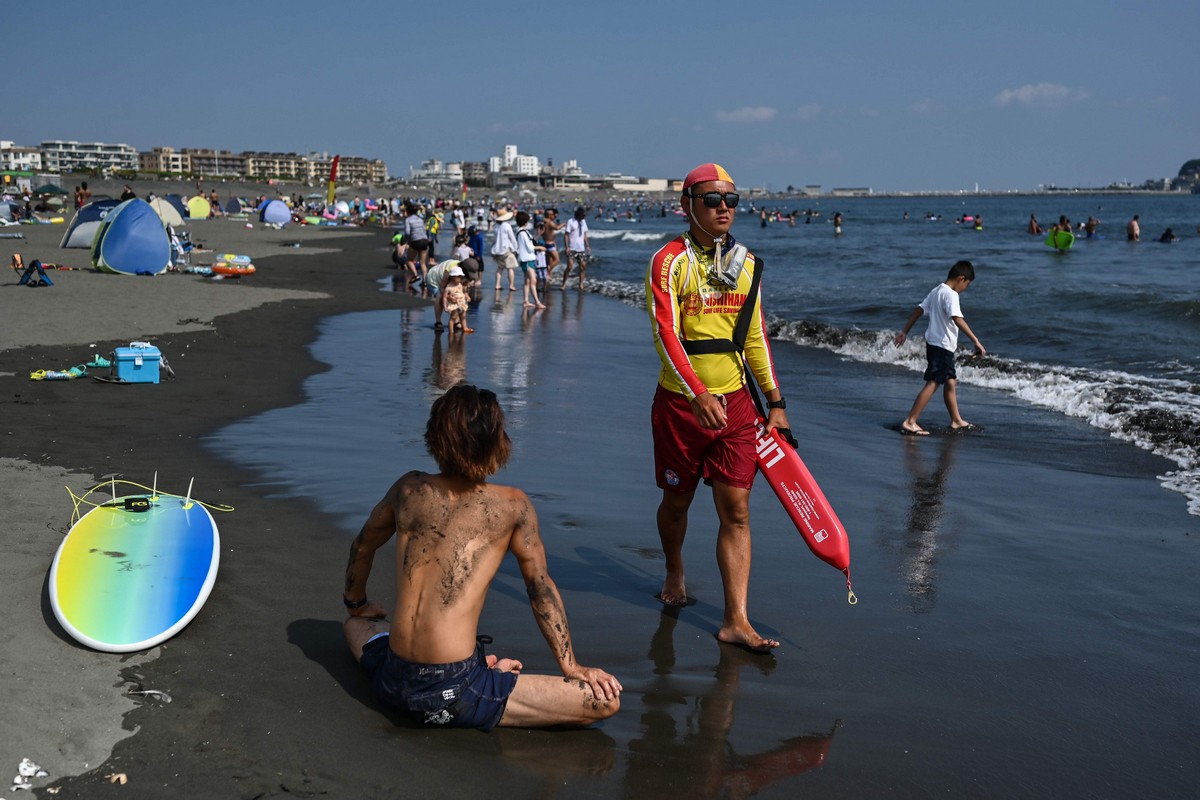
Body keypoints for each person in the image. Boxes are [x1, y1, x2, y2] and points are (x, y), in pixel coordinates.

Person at [341, 384, 622, 729]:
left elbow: (363, 545)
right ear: (496, 442)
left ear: (435, 438)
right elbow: (540, 589)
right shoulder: (512, 505)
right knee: (604, 701)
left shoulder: (409, 488)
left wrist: (356, 604)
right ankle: (488, 679)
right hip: (455, 690)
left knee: (357, 625)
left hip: (392, 681)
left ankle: (484, 668)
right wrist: (572, 668)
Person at [645, 162, 790, 653]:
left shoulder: (747, 264)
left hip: (737, 408)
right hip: (681, 409)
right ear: (688, 206)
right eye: (712, 200)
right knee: (678, 502)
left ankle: (736, 620)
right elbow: (666, 334)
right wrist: (697, 394)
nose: (724, 208)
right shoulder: (669, 261)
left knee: (738, 511)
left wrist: (775, 401)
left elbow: (755, 337)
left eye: (731, 200)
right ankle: (674, 568)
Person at [894, 260, 986, 436]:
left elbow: (918, 310)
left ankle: (956, 420)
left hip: (934, 344)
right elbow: (957, 318)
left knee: (950, 381)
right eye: (967, 284)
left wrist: (904, 331)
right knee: (934, 382)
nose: (966, 288)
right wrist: (976, 340)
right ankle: (910, 421)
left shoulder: (936, 291)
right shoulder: (951, 295)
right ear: (961, 279)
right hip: (942, 346)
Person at [514, 211, 546, 309]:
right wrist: (540, 248)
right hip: (527, 259)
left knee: (527, 281)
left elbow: (531, 241)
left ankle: (526, 301)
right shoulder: (523, 233)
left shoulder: (522, 232)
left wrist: (539, 235)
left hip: (526, 259)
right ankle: (537, 302)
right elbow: (529, 247)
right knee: (533, 280)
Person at [561, 207, 590, 290]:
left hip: (581, 248)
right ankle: (564, 284)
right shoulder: (571, 221)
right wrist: (566, 247)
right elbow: (566, 235)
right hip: (572, 248)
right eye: (582, 215)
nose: (584, 216)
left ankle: (581, 284)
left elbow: (584, 234)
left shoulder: (583, 222)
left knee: (583, 267)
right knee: (569, 266)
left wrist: (587, 245)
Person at [490, 208, 518, 291]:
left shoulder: (496, 226)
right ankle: (511, 285)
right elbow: (512, 238)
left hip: (497, 250)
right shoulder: (507, 225)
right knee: (510, 268)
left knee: (500, 268)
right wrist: (515, 249)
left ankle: (497, 284)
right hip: (506, 250)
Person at [404, 202, 431, 282]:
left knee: (409, 260)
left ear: (408, 212)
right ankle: (425, 281)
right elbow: (424, 230)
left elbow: (407, 232)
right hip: (424, 240)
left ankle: (415, 276)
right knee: (422, 262)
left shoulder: (408, 220)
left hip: (415, 241)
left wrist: (406, 242)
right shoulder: (420, 219)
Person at [441, 266, 473, 333]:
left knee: (463, 317)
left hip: (462, 303)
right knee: (453, 317)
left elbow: (464, 292)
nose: (459, 279)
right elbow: (444, 297)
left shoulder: (460, 285)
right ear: (452, 277)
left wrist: (467, 296)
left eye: (460, 277)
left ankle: (465, 328)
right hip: (454, 304)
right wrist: (445, 306)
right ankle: (451, 330)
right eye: (458, 277)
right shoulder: (449, 287)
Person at [541, 207, 562, 278]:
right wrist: (563, 225)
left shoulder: (544, 222)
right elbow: (556, 228)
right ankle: (548, 271)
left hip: (547, 243)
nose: (554, 216)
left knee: (549, 261)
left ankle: (548, 275)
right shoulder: (549, 222)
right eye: (553, 215)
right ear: (550, 215)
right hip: (550, 244)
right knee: (557, 260)